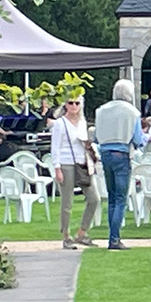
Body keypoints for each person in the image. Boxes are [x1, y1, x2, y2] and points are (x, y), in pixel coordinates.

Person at [94, 80, 146, 251]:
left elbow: (95, 136)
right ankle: (114, 239)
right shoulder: (132, 112)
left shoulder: (101, 111)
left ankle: (113, 236)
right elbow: (138, 139)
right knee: (120, 199)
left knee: (111, 198)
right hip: (122, 154)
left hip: (105, 154)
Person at [51, 95, 100, 250]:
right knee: (67, 202)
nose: (73, 106)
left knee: (94, 199)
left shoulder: (82, 122)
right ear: (65, 105)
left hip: (82, 162)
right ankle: (66, 236)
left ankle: (82, 232)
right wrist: (57, 168)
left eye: (76, 103)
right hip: (66, 163)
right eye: (70, 103)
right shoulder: (60, 124)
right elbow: (55, 147)